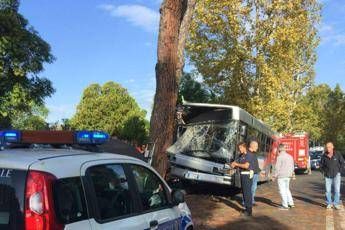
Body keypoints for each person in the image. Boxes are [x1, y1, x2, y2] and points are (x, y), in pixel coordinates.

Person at [231, 142, 255, 216]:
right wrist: (233, 164)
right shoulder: (241, 155)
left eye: (240, 148)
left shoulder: (249, 155)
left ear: (244, 147)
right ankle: (246, 208)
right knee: (244, 193)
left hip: (247, 175)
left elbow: (246, 166)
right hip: (242, 175)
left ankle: (249, 211)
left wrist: (236, 164)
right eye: (239, 148)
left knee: (247, 193)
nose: (239, 150)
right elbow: (235, 162)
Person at [320, 142, 344, 210]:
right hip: (327, 176)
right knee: (328, 190)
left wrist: (339, 171)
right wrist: (323, 172)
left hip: (337, 175)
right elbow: (321, 166)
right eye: (327, 147)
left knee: (337, 190)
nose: (328, 148)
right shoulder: (324, 155)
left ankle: (336, 204)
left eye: (329, 147)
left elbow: (342, 163)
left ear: (333, 147)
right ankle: (329, 203)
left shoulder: (338, 154)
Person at [273, 144, 295, 210]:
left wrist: (274, 176)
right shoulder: (290, 156)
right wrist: (291, 174)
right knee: (287, 189)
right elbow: (292, 167)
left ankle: (285, 205)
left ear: (279, 149)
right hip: (288, 176)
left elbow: (277, 168)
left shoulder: (279, 157)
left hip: (281, 176)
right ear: (284, 149)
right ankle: (291, 203)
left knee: (282, 190)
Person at [248, 140, 261, 206]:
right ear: (252, 146)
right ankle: (248, 201)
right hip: (251, 173)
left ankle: (251, 200)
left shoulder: (254, 153)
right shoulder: (248, 153)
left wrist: (259, 171)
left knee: (254, 188)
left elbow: (255, 163)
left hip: (256, 173)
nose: (257, 148)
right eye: (256, 146)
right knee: (250, 188)